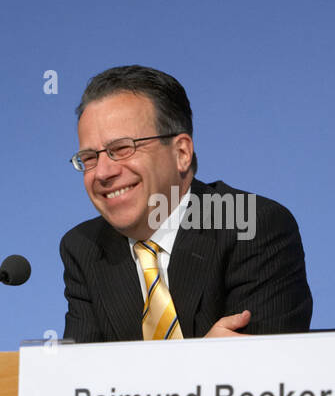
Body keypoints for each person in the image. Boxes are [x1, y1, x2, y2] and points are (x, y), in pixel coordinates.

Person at [61, 65, 312, 341]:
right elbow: (79, 377)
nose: (103, 172)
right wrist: (200, 359)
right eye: (89, 158)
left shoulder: (252, 225)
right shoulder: (84, 248)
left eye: (121, 149)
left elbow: (265, 371)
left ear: (181, 152)